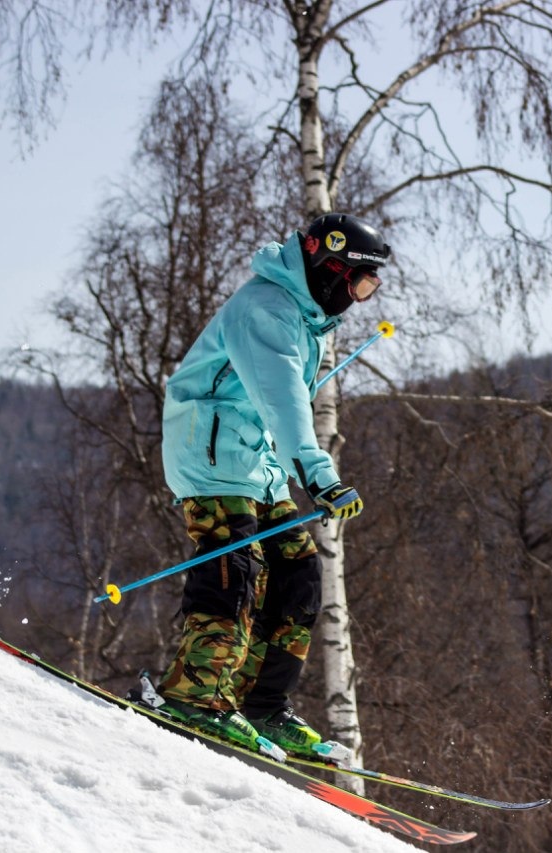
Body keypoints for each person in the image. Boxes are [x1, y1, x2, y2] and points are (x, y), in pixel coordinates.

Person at [153, 212, 390, 759]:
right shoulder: (267, 310)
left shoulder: (299, 317)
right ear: (332, 269)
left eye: (369, 287)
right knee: (234, 570)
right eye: (362, 282)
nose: (360, 297)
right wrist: (319, 475)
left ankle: (261, 703)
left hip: (252, 463)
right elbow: (284, 403)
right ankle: (195, 696)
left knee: (298, 568)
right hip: (210, 454)